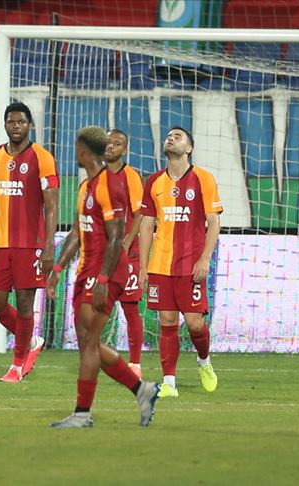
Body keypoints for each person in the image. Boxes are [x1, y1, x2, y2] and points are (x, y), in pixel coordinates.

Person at [46, 125, 159, 428]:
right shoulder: (86, 186)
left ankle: (82, 414)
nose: (75, 152)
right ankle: (142, 390)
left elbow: (117, 235)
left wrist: (104, 279)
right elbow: (76, 231)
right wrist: (58, 269)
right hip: (86, 271)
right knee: (88, 342)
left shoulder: (110, 185)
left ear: (83, 151)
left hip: (105, 272)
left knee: (89, 341)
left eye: (76, 148)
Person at [0, 102, 58, 382]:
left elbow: (51, 205)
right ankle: (30, 341)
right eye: (11, 122)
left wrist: (49, 245)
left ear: (29, 125)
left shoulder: (42, 158)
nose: (16, 126)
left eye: (21, 122)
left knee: (24, 303)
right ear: (5, 125)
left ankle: (17, 365)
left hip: (30, 245)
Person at [137, 126, 221, 398]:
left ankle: (204, 361)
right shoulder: (154, 182)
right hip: (161, 265)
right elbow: (146, 225)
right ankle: (169, 383)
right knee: (167, 321)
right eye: (168, 136)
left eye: (178, 136)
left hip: (191, 265)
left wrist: (205, 259)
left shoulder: (203, 179)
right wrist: (143, 267)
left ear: (189, 148)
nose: (170, 138)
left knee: (195, 323)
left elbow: (213, 222)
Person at [104, 129, 145, 378]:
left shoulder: (131, 176)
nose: (111, 146)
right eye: (108, 142)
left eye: (117, 143)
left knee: (130, 309)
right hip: (102, 254)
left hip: (126, 254)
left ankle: (135, 363)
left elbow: (140, 214)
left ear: (125, 150)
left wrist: (127, 243)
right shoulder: (94, 177)